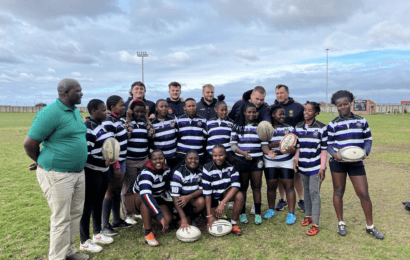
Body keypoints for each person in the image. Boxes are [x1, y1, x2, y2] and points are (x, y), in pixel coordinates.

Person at [23, 78, 89, 260]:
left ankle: (68, 251)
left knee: (75, 214)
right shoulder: (50, 113)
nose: (82, 94)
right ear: (65, 93)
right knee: (61, 218)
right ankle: (57, 257)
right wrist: (40, 161)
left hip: (77, 173)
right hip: (57, 174)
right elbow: (29, 144)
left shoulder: (75, 111)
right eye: (78, 91)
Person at [327, 90, 384, 239]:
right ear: (336, 107)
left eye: (345, 104)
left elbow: (368, 139)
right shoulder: (333, 124)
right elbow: (328, 144)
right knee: (338, 192)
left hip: (356, 163)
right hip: (338, 163)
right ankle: (341, 223)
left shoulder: (361, 121)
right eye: (339, 105)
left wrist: (366, 152)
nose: (343, 107)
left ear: (350, 104)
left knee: (364, 193)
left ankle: (370, 226)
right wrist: (334, 154)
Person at [79, 99, 116, 253]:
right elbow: (85, 155)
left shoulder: (99, 125)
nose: (105, 112)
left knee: (98, 203)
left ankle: (97, 233)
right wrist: (103, 163)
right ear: (93, 111)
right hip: (92, 171)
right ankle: (84, 240)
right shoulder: (87, 128)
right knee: (87, 205)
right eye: (102, 110)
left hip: (102, 170)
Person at [125, 150, 173, 247]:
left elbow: (168, 188)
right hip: (134, 199)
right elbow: (145, 195)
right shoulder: (147, 173)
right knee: (146, 199)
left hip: (155, 198)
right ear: (150, 160)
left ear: (164, 159)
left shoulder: (167, 169)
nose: (158, 161)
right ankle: (148, 233)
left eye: (160, 158)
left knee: (168, 220)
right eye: (154, 159)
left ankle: (148, 220)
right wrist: (160, 215)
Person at [293, 102, 328, 236]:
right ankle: (308, 216)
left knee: (314, 192)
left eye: (310, 110)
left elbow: (324, 149)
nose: (306, 112)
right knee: (306, 191)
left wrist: (322, 167)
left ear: (316, 113)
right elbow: (298, 146)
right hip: (303, 165)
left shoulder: (322, 128)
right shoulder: (298, 127)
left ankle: (316, 224)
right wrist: (296, 160)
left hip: (316, 167)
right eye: (305, 110)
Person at [101, 95, 132, 236]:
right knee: (110, 191)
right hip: (116, 163)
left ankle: (117, 220)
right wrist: (116, 166)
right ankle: (104, 225)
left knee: (117, 190)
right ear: (112, 107)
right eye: (121, 105)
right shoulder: (109, 121)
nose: (123, 107)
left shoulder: (118, 120)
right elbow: (109, 147)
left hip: (123, 160)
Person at [261, 105, 297, 224]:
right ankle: (271, 210)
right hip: (270, 161)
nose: (282, 116)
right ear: (273, 114)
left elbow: (295, 145)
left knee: (289, 187)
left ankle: (291, 214)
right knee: (271, 186)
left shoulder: (289, 128)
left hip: (286, 161)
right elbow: (263, 145)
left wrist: (292, 149)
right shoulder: (266, 128)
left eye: (284, 114)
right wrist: (270, 148)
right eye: (279, 114)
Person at [230, 103, 264, 225]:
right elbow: (233, 145)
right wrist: (243, 153)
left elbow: (264, 142)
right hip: (242, 160)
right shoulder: (237, 126)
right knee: (243, 188)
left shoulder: (260, 126)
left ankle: (258, 214)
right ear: (244, 112)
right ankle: (242, 213)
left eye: (253, 112)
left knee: (256, 187)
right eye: (249, 112)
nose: (251, 114)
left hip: (257, 160)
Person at [273, 84, 305, 213]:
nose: (279, 95)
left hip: (295, 146)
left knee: (296, 173)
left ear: (287, 93)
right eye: (277, 93)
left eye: (281, 93)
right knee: (280, 175)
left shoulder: (297, 107)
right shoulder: (272, 108)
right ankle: (282, 199)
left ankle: (301, 199)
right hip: (279, 148)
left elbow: (305, 123)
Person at [122, 99, 154, 224]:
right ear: (131, 111)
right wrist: (128, 118)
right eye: (137, 111)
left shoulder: (145, 123)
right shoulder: (127, 122)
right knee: (128, 188)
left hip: (143, 159)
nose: (139, 114)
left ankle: (139, 210)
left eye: (142, 111)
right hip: (130, 160)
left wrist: (147, 119)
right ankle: (127, 214)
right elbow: (127, 134)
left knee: (141, 186)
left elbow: (152, 134)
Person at [202, 145, 245, 236]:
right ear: (212, 156)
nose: (218, 158)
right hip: (213, 196)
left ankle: (233, 224)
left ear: (225, 155)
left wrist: (222, 203)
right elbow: (207, 193)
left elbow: (236, 185)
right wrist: (209, 216)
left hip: (225, 194)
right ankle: (208, 215)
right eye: (215, 155)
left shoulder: (231, 166)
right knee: (213, 220)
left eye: (220, 155)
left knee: (240, 195)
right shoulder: (207, 168)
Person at [170, 150, 205, 229]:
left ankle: (191, 217)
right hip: (179, 203)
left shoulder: (201, 170)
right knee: (183, 225)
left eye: (196, 158)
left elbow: (202, 189)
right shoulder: (178, 173)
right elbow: (175, 197)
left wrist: (188, 197)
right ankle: (177, 217)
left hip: (191, 200)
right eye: (190, 158)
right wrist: (183, 219)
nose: (193, 161)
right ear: (185, 160)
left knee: (201, 201)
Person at [176, 98, 207, 164]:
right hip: (182, 153)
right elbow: (176, 136)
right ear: (185, 107)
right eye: (189, 106)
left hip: (198, 154)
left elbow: (205, 137)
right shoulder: (179, 120)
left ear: (196, 106)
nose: (191, 108)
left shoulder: (203, 120)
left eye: (193, 106)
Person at [150, 99, 179, 170]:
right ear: (156, 108)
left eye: (166, 106)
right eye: (161, 106)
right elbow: (150, 141)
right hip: (158, 160)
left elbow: (178, 135)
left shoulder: (173, 119)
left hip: (172, 158)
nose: (164, 108)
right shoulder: (151, 122)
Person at [205, 94, 234, 163]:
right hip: (211, 155)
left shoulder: (231, 123)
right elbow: (204, 139)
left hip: (227, 156)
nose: (224, 112)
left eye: (226, 110)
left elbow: (233, 140)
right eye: (222, 110)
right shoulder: (209, 123)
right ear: (216, 110)